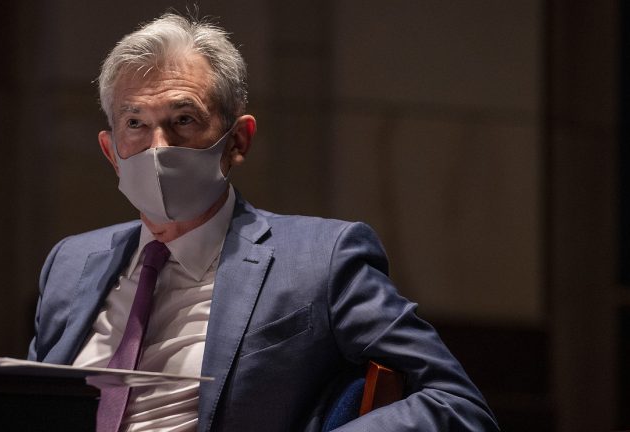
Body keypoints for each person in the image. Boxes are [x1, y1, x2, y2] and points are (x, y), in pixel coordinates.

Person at [27, 12, 499, 432]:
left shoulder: (322, 259)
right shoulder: (71, 262)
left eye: (184, 119)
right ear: (111, 151)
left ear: (238, 140)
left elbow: (455, 403)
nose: (158, 147)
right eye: (135, 123)